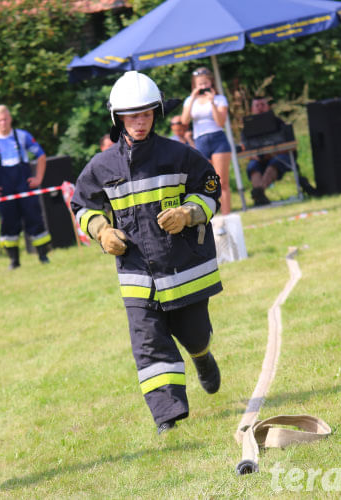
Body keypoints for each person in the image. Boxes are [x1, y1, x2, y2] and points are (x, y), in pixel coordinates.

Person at [71, 71, 223, 435]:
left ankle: (201, 356)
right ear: (118, 119)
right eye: (131, 116)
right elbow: (82, 205)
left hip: (182, 267)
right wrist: (101, 230)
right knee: (148, 342)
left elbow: (210, 190)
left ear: (156, 113)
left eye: (146, 114)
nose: (139, 123)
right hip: (136, 271)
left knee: (194, 332)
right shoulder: (102, 166)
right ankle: (167, 416)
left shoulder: (180, 155)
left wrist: (189, 212)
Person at [0, 105, 51, 268]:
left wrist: (38, 178)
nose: (3, 123)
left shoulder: (22, 136)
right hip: (4, 188)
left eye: (5, 119)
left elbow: (40, 155)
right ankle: (14, 260)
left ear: (10, 119)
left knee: (34, 218)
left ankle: (43, 255)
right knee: (9, 223)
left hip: (24, 185)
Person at [181, 66, 232, 214]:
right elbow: (184, 121)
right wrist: (192, 98)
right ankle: (208, 215)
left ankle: (226, 215)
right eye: (200, 84)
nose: (203, 86)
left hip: (217, 139)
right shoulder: (190, 100)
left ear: (211, 83)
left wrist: (212, 103)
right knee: (204, 182)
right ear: (194, 85)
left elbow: (221, 122)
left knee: (221, 182)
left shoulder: (219, 99)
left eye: (206, 83)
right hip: (200, 141)